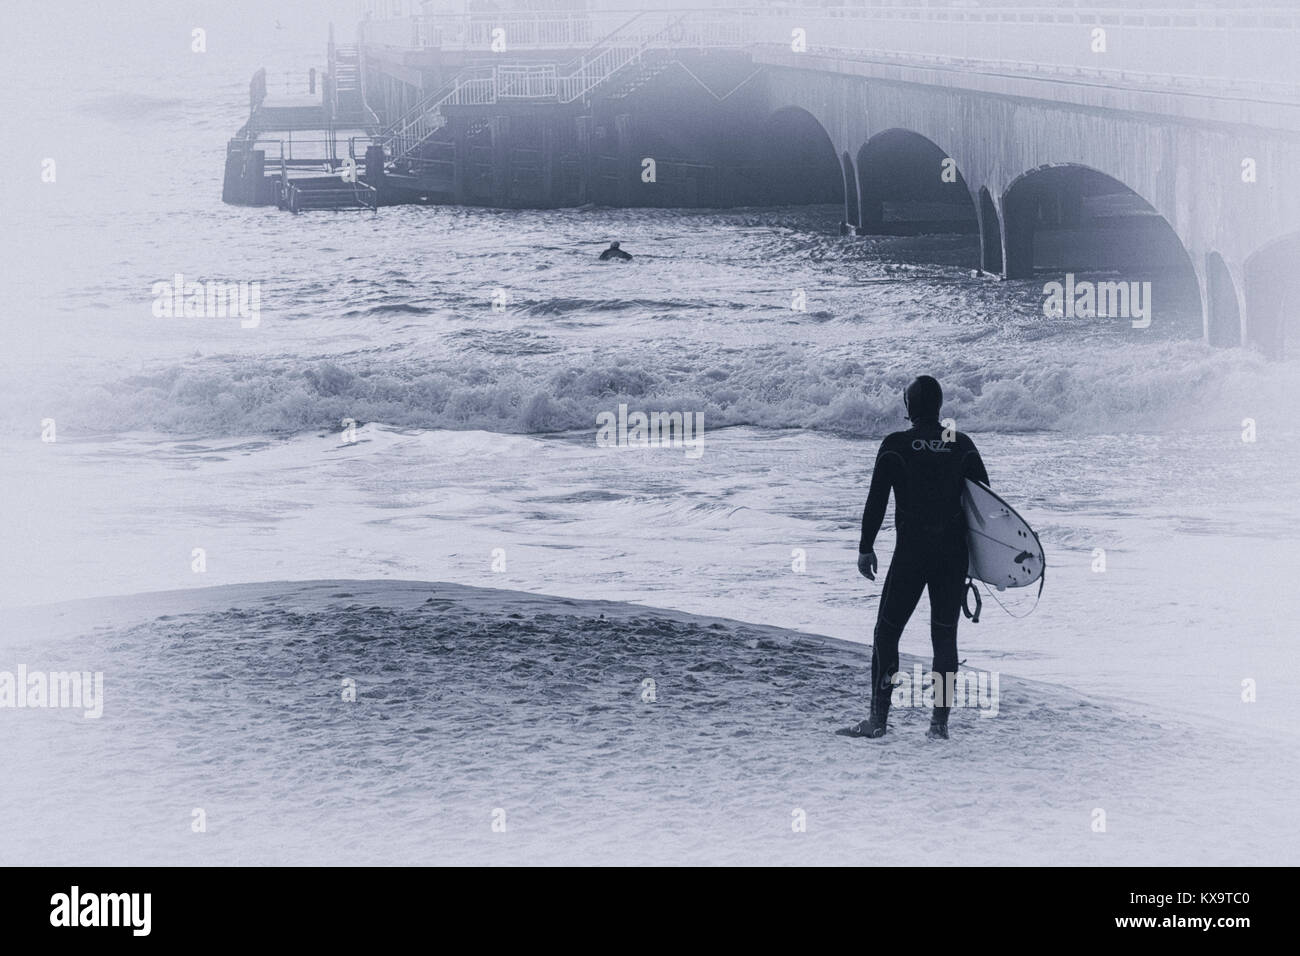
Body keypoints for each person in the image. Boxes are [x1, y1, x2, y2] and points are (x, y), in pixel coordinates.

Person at [837, 375, 989, 741]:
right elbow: (986, 507)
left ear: (909, 407)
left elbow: (876, 500)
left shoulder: (897, 445)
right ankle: (939, 725)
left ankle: (877, 721)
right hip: (951, 556)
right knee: (945, 638)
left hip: (911, 554)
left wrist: (865, 547)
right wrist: (980, 562)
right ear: (939, 406)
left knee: (886, 633)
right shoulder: (960, 444)